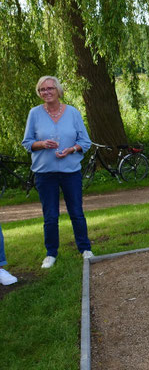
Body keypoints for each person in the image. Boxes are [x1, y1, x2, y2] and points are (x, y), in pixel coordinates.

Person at [22, 76, 93, 269]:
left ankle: (85, 249)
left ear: (58, 90)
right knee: (50, 215)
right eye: (42, 90)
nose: (46, 92)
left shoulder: (72, 113)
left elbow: (85, 141)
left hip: (71, 171)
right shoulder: (34, 114)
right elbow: (27, 143)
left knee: (77, 212)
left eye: (50, 88)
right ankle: (51, 253)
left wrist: (72, 149)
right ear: (39, 93)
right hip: (45, 174)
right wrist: (42, 144)